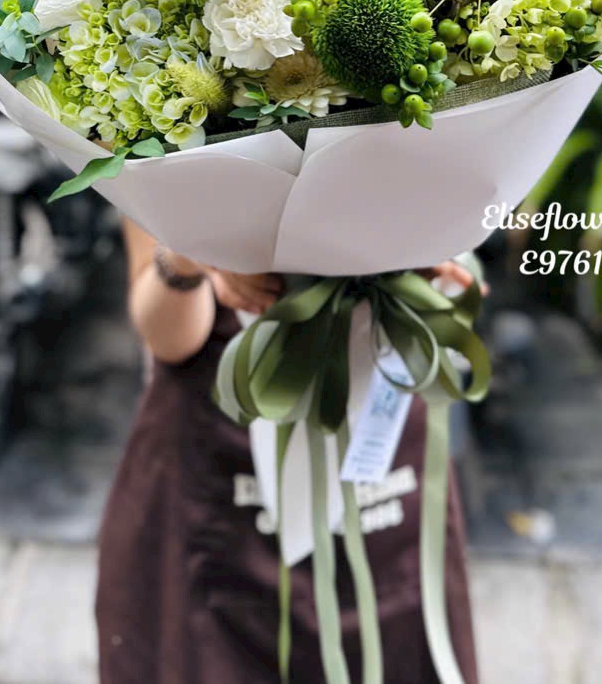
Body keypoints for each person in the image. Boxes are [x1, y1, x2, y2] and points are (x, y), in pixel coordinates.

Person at [95, 219, 481, 684]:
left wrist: (436, 270)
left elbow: (463, 278)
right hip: (217, 459)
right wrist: (188, 256)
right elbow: (168, 338)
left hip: (381, 451)